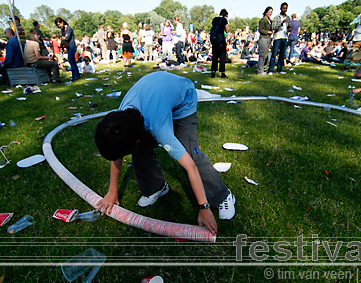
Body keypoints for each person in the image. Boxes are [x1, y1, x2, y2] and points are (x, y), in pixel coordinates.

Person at [94, 72, 236, 236]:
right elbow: (117, 154)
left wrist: (203, 208)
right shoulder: (119, 122)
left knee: (191, 154)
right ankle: (157, 188)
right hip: (155, 94)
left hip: (183, 100)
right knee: (138, 150)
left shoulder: (159, 129)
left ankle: (222, 196)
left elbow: (190, 167)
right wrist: (112, 191)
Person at [267, 2, 291, 75]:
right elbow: (273, 27)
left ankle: (279, 69)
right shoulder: (277, 17)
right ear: (280, 8)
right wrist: (281, 23)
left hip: (285, 37)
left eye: (286, 8)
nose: (285, 10)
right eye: (283, 8)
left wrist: (290, 29)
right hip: (278, 37)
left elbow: (288, 27)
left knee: (282, 55)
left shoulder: (288, 17)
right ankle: (270, 70)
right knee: (274, 54)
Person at [210, 9, 229, 78]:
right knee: (222, 57)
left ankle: (213, 73)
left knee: (214, 56)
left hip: (214, 40)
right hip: (221, 40)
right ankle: (222, 73)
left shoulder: (214, 19)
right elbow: (227, 30)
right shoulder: (224, 20)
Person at [256, 6, 273, 75]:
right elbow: (260, 30)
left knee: (265, 55)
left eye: (271, 12)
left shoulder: (270, 21)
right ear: (266, 12)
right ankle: (260, 70)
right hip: (263, 38)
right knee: (262, 54)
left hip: (268, 38)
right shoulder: (263, 20)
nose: (270, 13)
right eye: (269, 12)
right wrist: (267, 32)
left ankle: (261, 68)